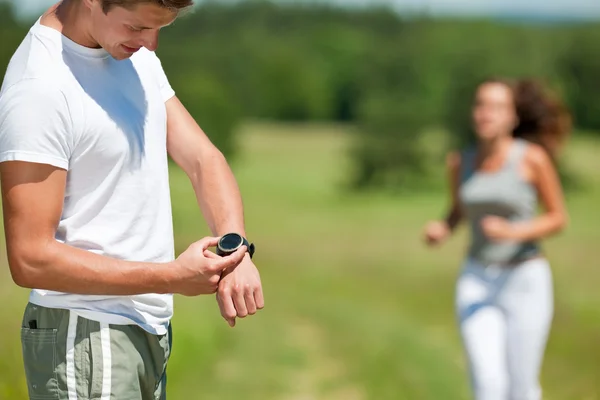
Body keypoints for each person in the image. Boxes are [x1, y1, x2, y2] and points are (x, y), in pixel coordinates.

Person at [0, 0, 264, 399]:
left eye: (161, 29)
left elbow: (201, 159)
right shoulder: (39, 87)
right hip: (85, 334)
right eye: (138, 27)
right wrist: (173, 277)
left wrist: (235, 246)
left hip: (145, 330)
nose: (152, 44)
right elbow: (29, 258)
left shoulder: (130, 53)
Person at [423, 78, 571, 400]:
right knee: (488, 385)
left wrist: (513, 232)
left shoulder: (531, 158)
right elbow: (458, 210)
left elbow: (558, 217)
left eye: (497, 107)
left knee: (521, 387)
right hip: (476, 277)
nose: (485, 113)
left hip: (525, 278)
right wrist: (443, 228)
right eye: (480, 105)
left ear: (513, 117)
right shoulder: (460, 161)